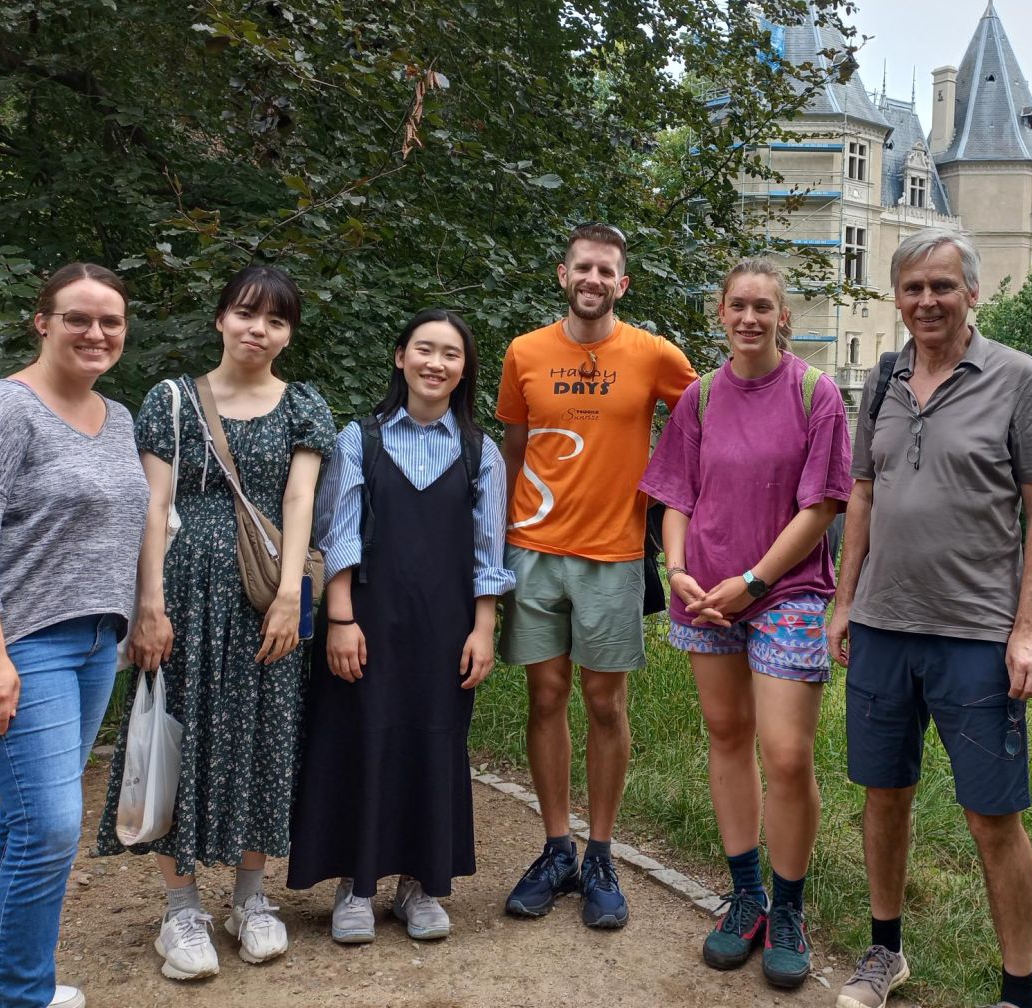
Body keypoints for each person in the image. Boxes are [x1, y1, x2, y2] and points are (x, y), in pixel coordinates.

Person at [828, 227, 1032, 1008]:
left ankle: (1018, 992)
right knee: (883, 795)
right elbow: (862, 490)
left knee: (992, 816)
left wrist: (1029, 629)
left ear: (973, 293)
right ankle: (885, 953)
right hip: (883, 626)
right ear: (896, 298)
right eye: (912, 288)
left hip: (976, 635)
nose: (926, 301)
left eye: (942, 286)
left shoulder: (1017, 378)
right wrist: (843, 600)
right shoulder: (884, 377)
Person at [95, 265, 335, 981]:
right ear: (221, 319)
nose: (258, 330)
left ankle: (252, 899)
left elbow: (299, 502)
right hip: (182, 599)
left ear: (289, 334)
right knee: (176, 733)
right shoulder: (171, 401)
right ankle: (180, 909)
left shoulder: (304, 406)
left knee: (265, 737)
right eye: (246, 313)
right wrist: (149, 602)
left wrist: (291, 593)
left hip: (265, 602)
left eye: (276, 320)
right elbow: (151, 504)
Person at [0, 263, 149, 1008]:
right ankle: (19, 997)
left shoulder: (118, 419)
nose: (96, 333)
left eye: (111, 322)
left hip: (97, 645)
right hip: (17, 644)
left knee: (26, 814)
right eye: (78, 318)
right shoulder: (2, 411)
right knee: (52, 823)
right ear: (43, 322)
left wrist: (138, 615)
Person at [640, 257, 851, 988]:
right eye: (739, 306)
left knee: (787, 753)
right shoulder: (698, 398)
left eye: (765, 306)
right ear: (720, 313)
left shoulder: (816, 395)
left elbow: (821, 506)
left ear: (783, 316)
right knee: (727, 736)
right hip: (703, 591)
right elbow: (675, 498)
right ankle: (747, 899)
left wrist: (754, 580)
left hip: (785, 590)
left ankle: (788, 908)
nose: (751, 318)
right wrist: (679, 571)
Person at [288, 308, 513, 943]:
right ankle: (356, 885)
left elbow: (488, 553)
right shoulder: (359, 439)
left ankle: (420, 883)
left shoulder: (480, 452)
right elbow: (337, 534)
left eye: (451, 354)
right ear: (400, 357)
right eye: (424, 349)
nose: (436, 363)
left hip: (445, 629)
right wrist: (339, 618)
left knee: (434, 741)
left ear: (464, 369)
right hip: (365, 621)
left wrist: (483, 630)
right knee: (359, 739)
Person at [496, 222, 696, 928]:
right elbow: (513, 449)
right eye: (583, 268)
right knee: (545, 697)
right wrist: (497, 544)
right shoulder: (523, 352)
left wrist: (671, 495)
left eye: (606, 271)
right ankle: (556, 849)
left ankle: (602, 853)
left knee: (605, 704)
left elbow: (701, 419)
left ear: (623, 283)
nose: (593, 280)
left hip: (613, 552)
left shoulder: (653, 354)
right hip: (532, 549)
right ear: (563, 274)